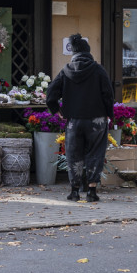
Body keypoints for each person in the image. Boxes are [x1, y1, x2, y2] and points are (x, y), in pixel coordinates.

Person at [46, 34, 114, 202]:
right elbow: (108, 95)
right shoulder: (98, 70)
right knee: (96, 153)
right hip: (96, 120)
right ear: (88, 52)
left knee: (73, 154)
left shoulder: (66, 70)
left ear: (74, 53)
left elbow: (50, 94)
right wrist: (108, 114)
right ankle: (92, 191)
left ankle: (74, 191)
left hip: (74, 121)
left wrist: (57, 110)